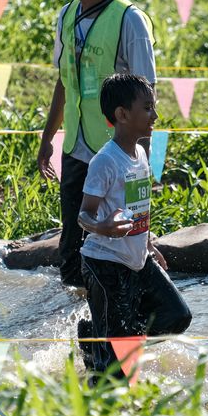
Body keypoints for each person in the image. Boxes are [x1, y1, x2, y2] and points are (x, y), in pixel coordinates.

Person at [36, 0, 156, 288]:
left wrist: (140, 163)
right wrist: (48, 138)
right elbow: (64, 81)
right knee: (72, 244)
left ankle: (125, 310)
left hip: (117, 153)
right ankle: (79, 313)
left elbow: (147, 95)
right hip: (76, 146)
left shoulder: (130, 20)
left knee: (124, 238)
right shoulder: (66, 15)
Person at [76, 74, 191, 377]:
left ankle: (99, 340)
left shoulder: (140, 153)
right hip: (105, 264)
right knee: (115, 372)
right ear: (122, 114)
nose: (155, 115)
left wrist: (148, 245)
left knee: (176, 316)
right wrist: (103, 227)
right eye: (148, 108)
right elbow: (83, 215)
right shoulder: (105, 161)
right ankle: (104, 353)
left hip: (137, 259)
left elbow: (138, 207)